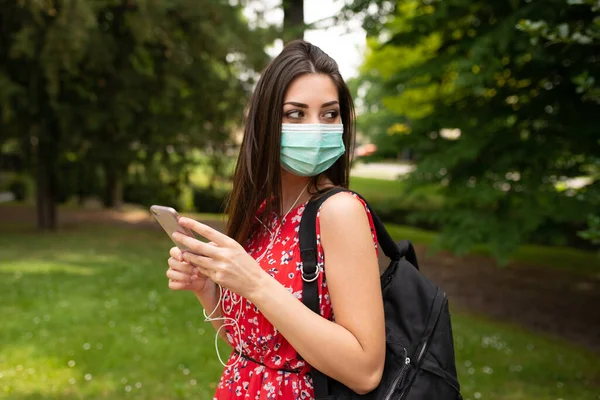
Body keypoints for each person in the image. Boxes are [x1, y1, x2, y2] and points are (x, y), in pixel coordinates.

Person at [166, 40, 385, 399]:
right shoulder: (262, 211)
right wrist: (207, 289)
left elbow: (365, 370)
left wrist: (254, 283)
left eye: (329, 114)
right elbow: (255, 341)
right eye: (296, 114)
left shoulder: (339, 211)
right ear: (265, 122)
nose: (316, 127)